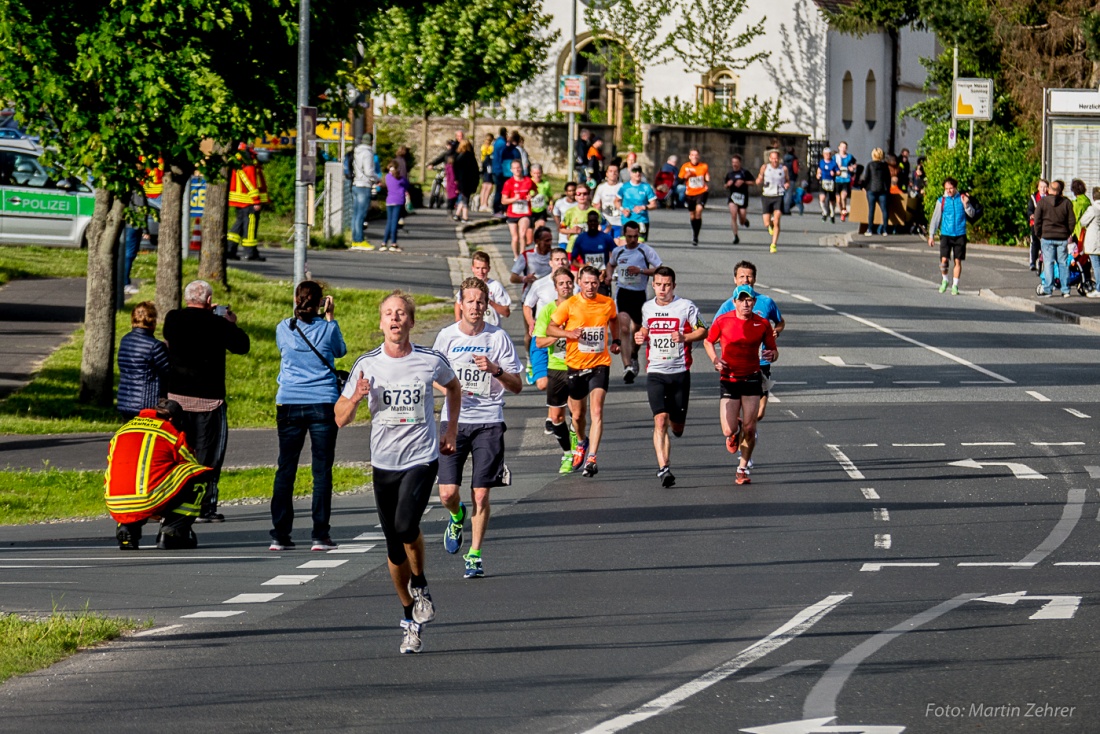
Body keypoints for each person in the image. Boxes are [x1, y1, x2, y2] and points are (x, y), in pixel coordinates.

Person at [336, 291, 461, 654]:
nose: (395, 319)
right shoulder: (367, 364)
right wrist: (356, 397)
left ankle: (420, 584)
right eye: (388, 314)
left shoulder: (429, 360)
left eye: (401, 314)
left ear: (411, 321)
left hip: (421, 458)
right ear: (380, 323)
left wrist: (449, 430)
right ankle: (409, 615)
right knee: (393, 547)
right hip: (384, 463)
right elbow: (339, 417)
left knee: (407, 525)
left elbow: (454, 387)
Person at [435, 277, 523, 580]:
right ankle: (457, 517)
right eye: (470, 301)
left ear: (487, 305)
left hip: (489, 420)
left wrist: (495, 369)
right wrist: (453, 389)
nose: (475, 306)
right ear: (460, 303)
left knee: (482, 495)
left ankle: (474, 555)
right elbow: (433, 376)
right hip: (455, 420)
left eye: (480, 302)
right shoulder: (447, 336)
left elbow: (517, 386)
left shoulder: (498, 338)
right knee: (447, 493)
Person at [163, 280, 251, 522]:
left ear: (187, 297)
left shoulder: (173, 319)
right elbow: (242, 346)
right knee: (209, 454)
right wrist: (230, 323)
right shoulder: (218, 324)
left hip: (177, 398)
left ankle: (175, 502)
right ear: (210, 301)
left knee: (180, 453)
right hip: (209, 400)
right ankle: (204, 506)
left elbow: (170, 336)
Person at [269, 281, 347, 552]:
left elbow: (283, 348)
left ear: (295, 299)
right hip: (323, 403)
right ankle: (319, 534)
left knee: (285, 468)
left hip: (288, 401)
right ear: (321, 303)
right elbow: (340, 351)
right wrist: (330, 316)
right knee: (321, 470)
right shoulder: (328, 329)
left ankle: (280, 534)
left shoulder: (283, 328)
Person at [107, 398, 212, 550]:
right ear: (171, 418)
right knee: (198, 474)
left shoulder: (123, 429)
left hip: (115, 502)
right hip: (148, 498)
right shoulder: (169, 430)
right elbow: (190, 462)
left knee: (130, 477)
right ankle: (172, 532)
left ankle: (127, 529)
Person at [634, 266, 706, 488]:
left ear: (674, 286)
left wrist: (685, 336)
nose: (662, 289)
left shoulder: (686, 307)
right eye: (659, 285)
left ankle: (675, 433)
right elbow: (646, 329)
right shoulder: (647, 307)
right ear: (653, 285)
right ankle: (664, 468)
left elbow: (703, 330)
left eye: (667, 285)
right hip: (655, 372)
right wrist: (641, 334)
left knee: (677, 427)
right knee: (660, 420)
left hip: (680, 373)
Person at [547, 266, 620, 477]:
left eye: (594, 282)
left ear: (599, 282)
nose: (590, 286)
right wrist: (568, 333)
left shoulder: (607, 303)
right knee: (578, 415)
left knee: (597, 410)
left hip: (600, 364)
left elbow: (613, 319)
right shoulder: (570, 304)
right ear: (580, 282)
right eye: (586, 282)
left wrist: (615, 340)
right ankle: (581, 441)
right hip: (576, 365)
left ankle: (592, 458)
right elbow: (551, 328)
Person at [703, 285, 778, 486]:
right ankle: (733, 433)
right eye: (742, 299)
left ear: (754, 302)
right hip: (729, 378)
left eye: (750, 300)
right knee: (728, 430)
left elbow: (773, 350)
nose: (746, 303)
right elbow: (708, 341)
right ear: (734, 302)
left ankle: (742, 468)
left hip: (752, 377)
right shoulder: (723, 320)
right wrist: (715, 360)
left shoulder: (761, 324)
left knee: (750, 427)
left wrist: (772, 354)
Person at [713, 261, 785, 428]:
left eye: (749, 276)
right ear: (735, 279)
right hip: (735, 366)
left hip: (761, 363)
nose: (746, 279)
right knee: (735, 413)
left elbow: (780, 322)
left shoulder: (766, 302)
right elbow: (714, 333)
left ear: (755, 279)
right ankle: (739, 434)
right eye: (742, 276)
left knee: (758, 414)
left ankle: (747, 431)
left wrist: (776, 330)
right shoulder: (729, 305)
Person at [534, 266, 579, 474]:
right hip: (556, 367)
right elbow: (540, 342)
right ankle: (567, 452)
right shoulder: (547, 311)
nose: (565, 286)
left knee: (577, 415)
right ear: (555, 287)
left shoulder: (581, 307)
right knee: (556, 417)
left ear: (573, 284)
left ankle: (574, 450)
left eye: (569, 282)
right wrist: (563, 335)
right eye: (561, 283)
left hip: (578, 365)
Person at [608, 221, 662, 383]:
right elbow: (610, 265)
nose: (632, 239)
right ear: (624, 235)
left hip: (639, 295)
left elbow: (660, 269)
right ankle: (627, 366)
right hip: (623, 293)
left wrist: (641, 271)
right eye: (629, 236)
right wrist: (609, 275)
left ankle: (633, 354)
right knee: (624, 327)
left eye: (635, 236)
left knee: (638, 331)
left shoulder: (645, 251)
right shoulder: (618, 251)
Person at [511, 225, 555, 380]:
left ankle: (549, 362)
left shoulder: (554, 256)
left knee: (551, 331)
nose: (549, 243)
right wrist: (525, 278)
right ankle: (530, 362)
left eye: (550, 240)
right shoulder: (527, 256)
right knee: (531, 332)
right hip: (530, 299)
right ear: (537, 241)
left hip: (550, 301)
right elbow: (513, 277)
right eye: (546, 240)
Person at [116, 301, 170, 420]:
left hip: (125, 400)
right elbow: (168, 373)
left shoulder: (125, 340)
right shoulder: (155, 346)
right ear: (152, 321)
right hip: (147, 403)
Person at [927, 177, 976, 296]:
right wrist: (931, 235)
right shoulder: (941, 201)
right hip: (946, 234)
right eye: (946, 189)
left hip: (960, 234)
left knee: (957, 261)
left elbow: (972, 214)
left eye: (951, 188)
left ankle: (955, 285)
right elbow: (936, 218)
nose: (948, 191)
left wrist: (966, 205)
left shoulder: (962, 199)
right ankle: (945, 279)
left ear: (955, 187)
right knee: (944, 260)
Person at [1034, 179, 1077, 298]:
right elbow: (1072, 221)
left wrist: (1039, 234)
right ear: (1060, 191)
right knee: (1063, 263)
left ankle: (1048, 289)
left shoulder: (1042, 202)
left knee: (1048, 263)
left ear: (1049, 189)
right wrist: (1067, 232)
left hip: (1047, 236)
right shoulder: (1066, 203)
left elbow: (1037, 220)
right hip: (1062, 237)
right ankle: (1065, 290)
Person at [227, 144, 267, 262]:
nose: (254, 144)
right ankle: (250, 253)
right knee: (250, 227)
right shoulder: (247, 158)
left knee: (239, 225)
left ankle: (230, 250)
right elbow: (249, 179)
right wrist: (256, 199)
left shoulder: (241, 157)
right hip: (248, 200)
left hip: (242, 199)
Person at [455, 250, 511, 326]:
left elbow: (506, 312)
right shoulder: (468, 285)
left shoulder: (495, 286)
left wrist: (489, 302)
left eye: (484, 268)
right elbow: (459, 303)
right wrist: (458, 319)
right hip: (472, 329)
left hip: (491, 330)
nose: (480, 272)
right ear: (472, 268)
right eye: (477, 268)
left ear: (489, 268)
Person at [569, 210, 617, 289]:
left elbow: (617, 255)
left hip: (602, 278)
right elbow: (573, 260)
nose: (592, 223)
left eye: (595, 221)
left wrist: (608, 273)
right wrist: (583, 266)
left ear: (598, 222)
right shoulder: (581, 238)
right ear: (587, 222)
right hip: (587, 278)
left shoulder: (606, 238)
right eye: (590, 221)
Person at [756, 149, 788, 253]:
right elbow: (759, 179)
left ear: (779, 159)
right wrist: (759, 180)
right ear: (770, 159)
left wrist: (787, 184)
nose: (775, 160)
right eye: (773, 158)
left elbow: (787, 180)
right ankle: (770, 225)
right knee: (766, 222)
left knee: (777, 220)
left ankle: (773, 245)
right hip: (767, 196)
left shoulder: (783, 169)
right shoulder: (765, 168)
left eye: (776, 158)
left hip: (778, 196)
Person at [501, 158, 535, 258]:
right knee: (515, 237)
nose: (517, 170)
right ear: (511, 170)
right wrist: (514, 199)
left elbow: (535, 191)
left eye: (519, 168)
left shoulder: (528, 181)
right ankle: (516, 256)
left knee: (522, 234)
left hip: (525, 212)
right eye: (515, 168)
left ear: (522, 168)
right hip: (512, 213)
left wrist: (531, 196)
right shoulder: (508, 183)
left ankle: (522, 256)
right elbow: (503, 201)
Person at [615, 165, 658, 243]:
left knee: (638, 247)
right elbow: (616, 201)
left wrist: (643, 207)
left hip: (641, 221)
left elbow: (654, 204)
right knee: (624, 246)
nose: (637, 173)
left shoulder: (646, 187)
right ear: (630, 174)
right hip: (627, 220)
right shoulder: (625, 187)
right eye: (635, 171)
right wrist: (623, 210)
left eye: (639, 171)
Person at [350, 134, 378, 251]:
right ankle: (360, 240)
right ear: (371, 141)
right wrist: (376, 178)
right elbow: (368, 171)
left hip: (356, 183)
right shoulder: (367, 153)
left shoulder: (356, 151)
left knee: (356, 214)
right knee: (361, 214)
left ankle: (355, 240)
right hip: (364, 185)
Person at [678, 149, 710, 246]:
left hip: (701, 192)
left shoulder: (703, 166)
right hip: (690, 194)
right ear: (689, 156)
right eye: (692, 155)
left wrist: (707, 178)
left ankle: (696, 236)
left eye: (696, 155)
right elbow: (679, 181)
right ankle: (694, 233)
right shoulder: (685, 166)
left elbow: (707, 177)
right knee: (692, 215)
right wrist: (685, 176)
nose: (694, 157)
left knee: (698, 211)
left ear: (699, 156)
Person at [560, 185, 600, 253]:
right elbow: (561, 229)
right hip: (573, 248)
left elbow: (607, 226)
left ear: (589, 196)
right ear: (575, 196)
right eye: (579, 194)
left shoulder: (595, 212)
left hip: (590, 248)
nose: (582, 196)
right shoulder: (570, 212)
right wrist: (572, 230)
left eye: (585, 194)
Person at [861, 148, 890, 236]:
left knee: (871, 210)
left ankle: (870, 229)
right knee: (884, 210)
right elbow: (888, 178)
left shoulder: (870, 165)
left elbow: (866, 178)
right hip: (882, 189)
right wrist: (887, 189)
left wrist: (864, 187)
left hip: (871, 189)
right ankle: (885, 230)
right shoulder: (885, 166)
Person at [382, 160, 409, 252]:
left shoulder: (387, 177)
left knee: (389, 222)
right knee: (394, 223)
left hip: (389, 201)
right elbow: (406, 185)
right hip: (398, 201)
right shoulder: (400, 179)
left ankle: (384, 243)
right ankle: (394, 243)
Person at [724, 154, 752, 244]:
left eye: (736, 162)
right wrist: (728, 184)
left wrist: (743, 182)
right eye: (733, 162)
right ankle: (736, 236)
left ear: (740, 163)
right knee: (734, 215)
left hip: (743, 198)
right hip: (733, 198)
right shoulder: (729, 174)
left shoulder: (745, 172)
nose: (734, 164)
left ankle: (745, 220)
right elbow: (725, 185)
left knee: (742, 219)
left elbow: (753, 182)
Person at [593, 164, 624, 240]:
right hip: (606, 222)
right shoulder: (601, 187)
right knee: (606, 246)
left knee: (618, 246)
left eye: (615, 172)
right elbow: (595, 204)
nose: (613, 173)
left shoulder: (623, 187)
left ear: (618, 174)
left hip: (620, 222)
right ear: (607, 173)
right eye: (610, 171)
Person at [1079, 187, 1100, 297]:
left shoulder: (1092, 209)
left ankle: (1099, 289)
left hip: (1094, 241)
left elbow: (1083, 221)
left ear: (1093, 196)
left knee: (1096, 266)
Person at [454, 139, 480, 224]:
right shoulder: (470, 157)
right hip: (468, 181)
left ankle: (457, 214)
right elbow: (475, 171)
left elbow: (455, 169)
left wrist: (456, 180)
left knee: (463, 197)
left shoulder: (458, 157)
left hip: (460, 181)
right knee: (465, 199)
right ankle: (465, 216)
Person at [1026, 180, 1048, 271]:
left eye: (1045, 187)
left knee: (1045, 243)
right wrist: (1031, 214)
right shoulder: (1034, 198)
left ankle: (1044, 261)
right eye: (1041, 187)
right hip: (1035, 224)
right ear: (1038, 187)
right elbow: (1029, 209)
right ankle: (1032, 262)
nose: (1043, 189)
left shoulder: (1049, 197)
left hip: (1046, 224)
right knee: (1034, 242)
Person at [552, 181, 579, 247]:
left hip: (577, 235)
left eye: (574, 190)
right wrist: (559, 225)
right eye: (570, 191)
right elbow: (556, 214)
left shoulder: (580, 203)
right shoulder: (560, 202)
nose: (572, 193)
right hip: (564, 236)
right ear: (566, 192)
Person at [834, 142, 856, 222]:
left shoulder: (850, 157)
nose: (843, 149)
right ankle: (841, 212)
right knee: (838, 200)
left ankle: (844, 212)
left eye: (845, 147)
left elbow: (854, 164)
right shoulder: (835, 157)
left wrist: (852, 168)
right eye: (842, 147)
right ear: (839, 147)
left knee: (844, 196)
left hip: (846, 179)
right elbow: (831, 165)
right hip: (837, 180)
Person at [816, 147, 839, 222]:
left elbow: (839, 172)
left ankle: (832, 213)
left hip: (831, 182)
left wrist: (834, 173)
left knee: (831, 200)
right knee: (822, 198)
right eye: (825, 154)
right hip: (823, 181)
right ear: (823, 154)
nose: (827, 155)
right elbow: (818, 171)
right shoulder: (821, 162)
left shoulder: (833, 163)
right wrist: (818, 175)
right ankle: (824, 212)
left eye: (828, 154)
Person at [490, 127, 509, 215]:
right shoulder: (502, 143)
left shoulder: (497, 142)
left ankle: (497, 208)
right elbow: (502, 157)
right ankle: (497, 208)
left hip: (495, 168)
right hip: (500, 170)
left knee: (498, 189)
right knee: (500, 190)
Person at [478, 133, 495, 213]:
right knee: (488, 186)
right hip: (488, 166)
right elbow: (489, 155)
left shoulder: (483, 146)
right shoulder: (489, 148)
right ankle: (484, 204)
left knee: (485, 186)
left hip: (484, 166)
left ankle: (482, 204)